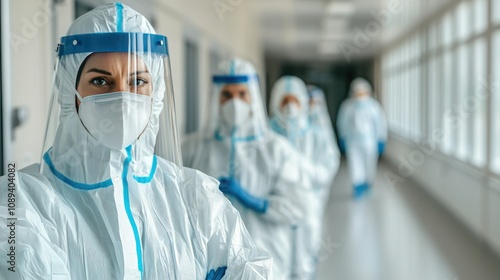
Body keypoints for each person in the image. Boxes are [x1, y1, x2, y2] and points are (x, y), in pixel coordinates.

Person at [0, 3, 272, 279]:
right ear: (70, 89)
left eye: (137, 81)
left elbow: (252, 268)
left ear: (156, 92)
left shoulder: (195, 197)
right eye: (100, 82)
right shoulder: (20, 201)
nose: (122, 99)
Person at [182, 59, 312, 280]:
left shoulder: (276, 149)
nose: (235, 103)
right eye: (227, 95)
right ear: (216, 98)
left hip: (268, 256)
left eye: (242, 94)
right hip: (209, 261)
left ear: (253, 98)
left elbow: (298, 206)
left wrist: (255, 201)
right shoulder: (193, 147)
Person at [269, 77, 340, 279]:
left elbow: (329, 162)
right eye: (285, 100)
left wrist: (307, 177)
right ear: (276, 101)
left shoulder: (315, 134)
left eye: (295, 100)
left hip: (308, 203)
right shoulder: (266, 133)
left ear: (303, 102)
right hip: (275, 205)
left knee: (305, 255)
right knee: (276, 257)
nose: (290, 106)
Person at [337, 77, 388, 199]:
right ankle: (358, 186)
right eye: (357, 92)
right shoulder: (347, 106)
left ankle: (368, 184)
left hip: (371, 141)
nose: (360, 95)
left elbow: (381, 123)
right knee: (355, 163)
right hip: (353, 141)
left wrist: (381, 139)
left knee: (370, 164)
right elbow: (342, 122)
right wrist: (343, 137)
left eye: (362, 92)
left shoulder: (374, 106)